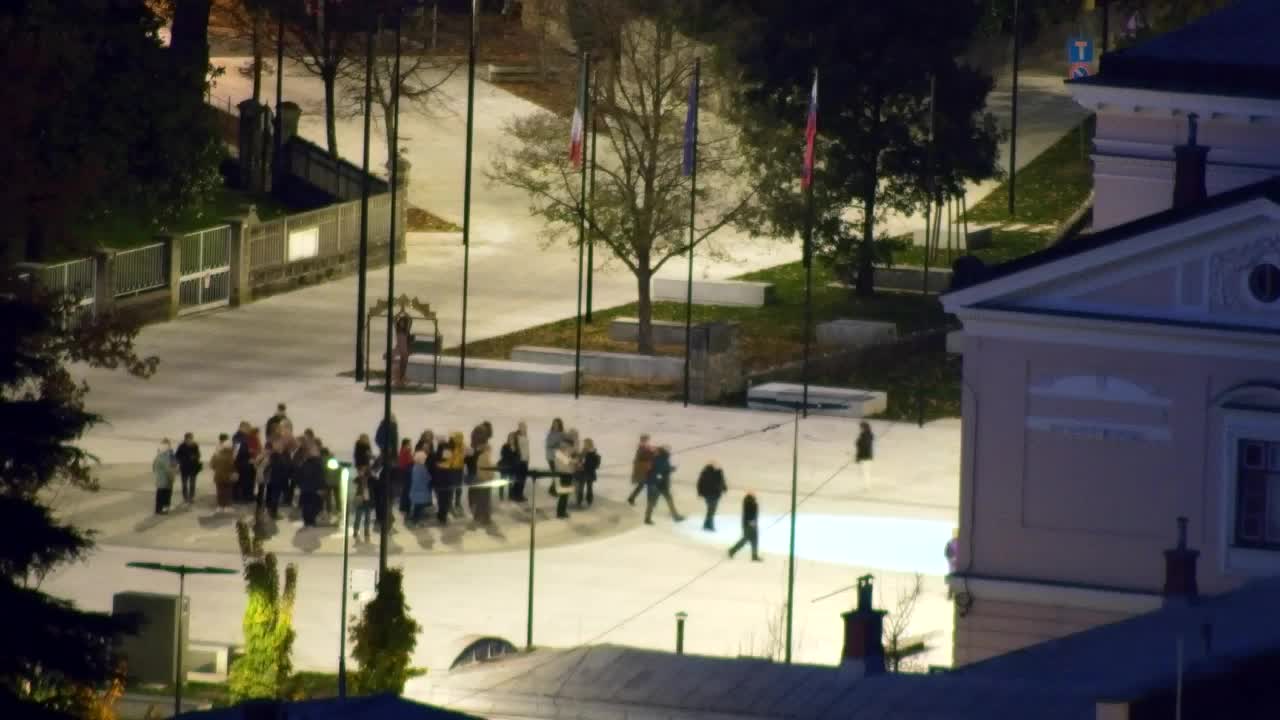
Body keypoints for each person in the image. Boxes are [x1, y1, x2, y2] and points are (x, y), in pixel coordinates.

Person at [644, 445, 684, 525]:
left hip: (659, 484)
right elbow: (661, 470)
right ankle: (648, 518)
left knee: (661, 501)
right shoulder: (660, 459)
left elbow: (662, 469)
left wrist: (670, 469)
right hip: (658, 484)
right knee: (653, 502)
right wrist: (670, 469)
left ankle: (675, 516)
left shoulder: (660, 459)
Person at [434, 433, 466, 525]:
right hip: (448, 473)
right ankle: (444, 513)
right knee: (446, 494)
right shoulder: (448, 448)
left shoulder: (452, 447)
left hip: (447, 473)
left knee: (445, 495)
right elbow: (446, 460)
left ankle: (444, 513)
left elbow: (445, 460)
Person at [728, 490, 761, 561]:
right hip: (749, 524)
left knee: (754, 539)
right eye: (753, 494)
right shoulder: (749, 503)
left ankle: (754, 555)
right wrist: (751, 522)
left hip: (751, 523)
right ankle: (732, 550)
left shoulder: (750, 502)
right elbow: (749, 514)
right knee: (746, 539)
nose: (755, 495)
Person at [298, 444, 325, 527]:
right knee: (313, 507)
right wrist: (321, 487)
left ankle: (308, 522)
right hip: (313, 489)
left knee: (308, 508)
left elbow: (300, 475)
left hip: (306, 489)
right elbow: (320, 476)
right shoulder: (317, 463)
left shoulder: (305, 463)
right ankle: (310, 522)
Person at [471, 437, 495, 525]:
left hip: (483, 481)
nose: (491, 451)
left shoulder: (484, 457)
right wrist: (490, 477)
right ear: (487, 449)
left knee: (482, 500)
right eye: (490, 449)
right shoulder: (484, 457)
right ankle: (485, 518)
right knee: (484, 500)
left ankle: (479, 517)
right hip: (484, 481)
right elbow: (484, 470)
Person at [696, 461, 727, 531]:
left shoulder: (705, 473)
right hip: (714, 494)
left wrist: (700, 493)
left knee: (710, 510)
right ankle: (709, 525)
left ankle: (707, 525)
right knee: (711, 510)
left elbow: (699, 484)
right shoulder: (718, 473)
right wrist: (724, 488)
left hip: (707, 495)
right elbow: (721, 483)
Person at [628, 434, 655, 506]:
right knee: (646, 485)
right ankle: (632, 498)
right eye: (645, 440)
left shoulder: (645, 447)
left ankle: (632, 498)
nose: (646, 441)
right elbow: (643, 458)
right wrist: (652, 453)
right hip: (642, 470)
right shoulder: (641, 448)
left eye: (647, 440)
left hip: (644, 470)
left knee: (642, 485)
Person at [174, 432, 202, 504]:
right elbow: (177, 456)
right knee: (184, 484)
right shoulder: (181, 446)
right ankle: (185, 498)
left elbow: (199, 455)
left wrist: (194, 457)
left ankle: (191, 497)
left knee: (192, 484)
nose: (190, 440)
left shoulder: (195, 445)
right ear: (185, 439)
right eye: (189, 438)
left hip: (193, 467)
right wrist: (182, 460)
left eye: (191, 438)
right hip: (184, 468)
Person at [210, 434, 235, 511]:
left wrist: (217, 469)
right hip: (227, 476)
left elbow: (212, 465)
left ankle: (220, 506)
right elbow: (232, 467)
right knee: (227, 492)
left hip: (218, 476)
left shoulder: (217, 454)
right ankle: (227, 506)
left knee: (220, 492)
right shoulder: (230, 456)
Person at [551, 439, 575, 519]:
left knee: (565, 495)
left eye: (566, 445)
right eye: (564, 445)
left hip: (567, 475)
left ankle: (562, 512)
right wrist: (573, 462)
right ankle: (560, 513)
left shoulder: (564, 453)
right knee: (563, 495)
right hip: (563, 475)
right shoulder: (559, 453)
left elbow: (570, 462)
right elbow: (568, 462)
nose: (565, 446)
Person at [231, 421, 254, 504]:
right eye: (248, 429)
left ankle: (242, 496)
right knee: (242, 481)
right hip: (241, 462)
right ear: (242, 428)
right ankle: (240, 497)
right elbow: (236, 451)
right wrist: (248, 452)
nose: (249, 430)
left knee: (242, 480)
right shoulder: (238, 438)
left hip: (243, 461)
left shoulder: (242, 437)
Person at [152, 439, 176, 514]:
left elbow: (154, 467)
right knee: (165, 495)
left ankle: (160, 509)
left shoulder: (159, 456)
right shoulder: (164, 457)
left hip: (161, 479)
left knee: (161, 495)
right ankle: (162, 510)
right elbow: (168, 469)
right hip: (166, 480)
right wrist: (172, 476)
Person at [408, 450, 431, 527]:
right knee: (418, 507)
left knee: (418, 507)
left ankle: (416, 521)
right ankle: (415, 521)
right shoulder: (420, 467)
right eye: (424, 458)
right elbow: (426, 478)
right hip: (420, 490)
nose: (425, 460)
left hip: (418, 490)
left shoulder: (416, 467)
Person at [577, 438, 600, 508]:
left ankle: (589, 501)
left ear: (590, 444)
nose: (585, 445)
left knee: (589, 487)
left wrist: (584, 464)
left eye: (586, 443)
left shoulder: (593, 453)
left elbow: (595, 464)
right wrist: (579, 463)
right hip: (582, 472)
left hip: (589, 472)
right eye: (584, 443)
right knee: (581, 488)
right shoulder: (582, 452)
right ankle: (579, 502)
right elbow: (579, 460)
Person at [351, 465, 373, 542]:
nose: (360, 472)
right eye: (360, 471)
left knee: (367, 518)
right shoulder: (358, 479)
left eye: (362, 471)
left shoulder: (371, 480)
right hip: (360, 500)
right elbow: (354, 485)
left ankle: (366, 533)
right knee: (358, 517)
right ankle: (356, 531)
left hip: (368, 501)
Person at [513, 421, 531, 502]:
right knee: (519, 479)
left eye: (524, 427)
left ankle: (519, 494)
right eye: (522, 427)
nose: (524, 428)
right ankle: (517, 495)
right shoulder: (517, 437)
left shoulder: (525, 437)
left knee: (522, 479)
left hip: (525, 460)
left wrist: (528, 458)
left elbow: (527, 449)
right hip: (519, 460)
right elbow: (516, 449)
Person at [396, 437, 413, 516]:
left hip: (404, 472)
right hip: (406, 472)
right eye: (409, 444)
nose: (410, 445)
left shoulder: (403, 451)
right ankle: (405, 508)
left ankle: (403, 507)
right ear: (406, 444)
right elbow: (407, 462)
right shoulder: (405, 451)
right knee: (406, 491)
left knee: (405, 491)